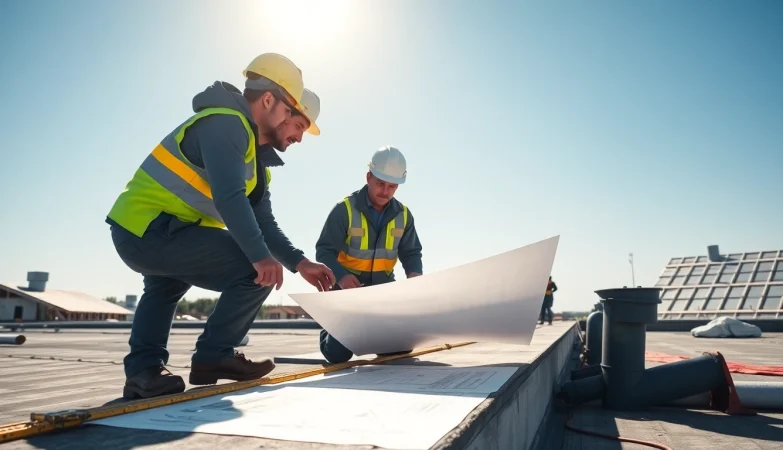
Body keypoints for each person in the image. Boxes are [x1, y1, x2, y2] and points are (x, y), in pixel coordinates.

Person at [106, 53, 335, 400]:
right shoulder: (225, 125)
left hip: (154, 230)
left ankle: (143, 372)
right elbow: (230, 198)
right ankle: (214, 356)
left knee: (166, 287)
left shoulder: (256, 163)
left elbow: (263, 222)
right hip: (149, 227)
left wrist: (299, 262)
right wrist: (260, 258)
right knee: (254, 270)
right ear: (270, 101)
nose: (299, 137)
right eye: (296, 122)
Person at [314, 146, 424, 363]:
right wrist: (341, 277)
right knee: (338, 356)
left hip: (382, 292)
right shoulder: (344, 209)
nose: (385, 191)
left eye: (391, 186)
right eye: (380, 184)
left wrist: (415, 277)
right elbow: (324, 251)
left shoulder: (403, 215)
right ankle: (330, 328)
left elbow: (411, 252)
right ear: (368, 177)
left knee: (397, 351)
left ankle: (373, 332)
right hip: (347, 292)